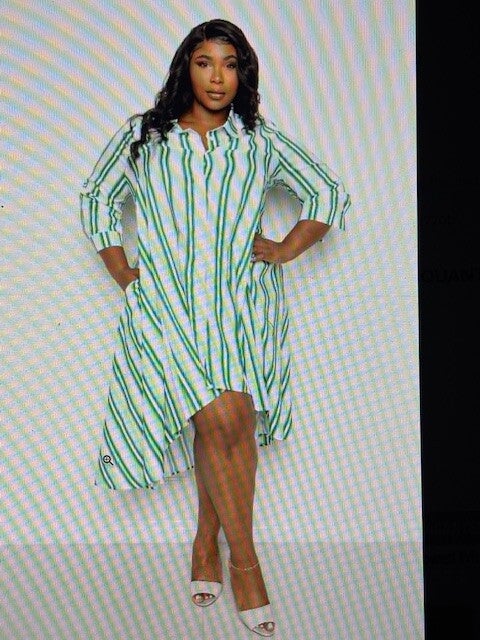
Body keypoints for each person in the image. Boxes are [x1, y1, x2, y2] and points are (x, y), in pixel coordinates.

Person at [80, 18, 350, 638]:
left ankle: (208, 537)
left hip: (240, 305)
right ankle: (247, 563)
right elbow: (96, 198)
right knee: (219, 419)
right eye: (205, 63)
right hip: (169, 306)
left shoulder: (257, 140)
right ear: (187, 68)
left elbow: (327, 193)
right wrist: (123, 272)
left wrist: (283, 249)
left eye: (230, 64)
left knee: (227, 423)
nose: (218, 77)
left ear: (243, 73)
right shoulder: (144, 137)